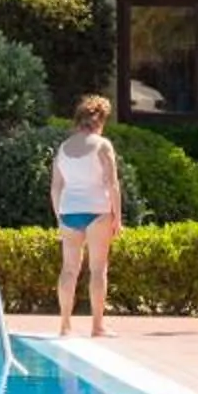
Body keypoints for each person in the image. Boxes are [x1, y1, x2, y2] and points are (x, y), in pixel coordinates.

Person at [50, 95, 122, 338]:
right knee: (98, 269)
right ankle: (97, 326)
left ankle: (64, 325)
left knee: (69, 269)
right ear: (100, 120)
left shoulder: (64, 147)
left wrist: (58, 216)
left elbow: (55, 187)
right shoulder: (103, 145)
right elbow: (113, 184)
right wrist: (118, 217)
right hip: (97, 210)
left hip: (69, 211)